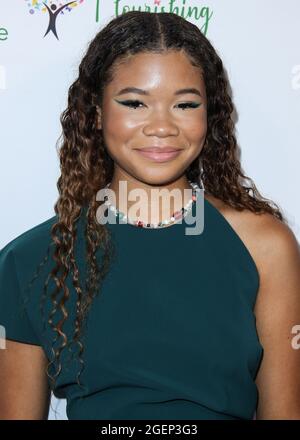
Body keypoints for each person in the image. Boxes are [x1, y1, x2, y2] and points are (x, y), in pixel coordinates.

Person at [0, 11, 300, 420]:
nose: (162, 126)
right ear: (96, 113)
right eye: (135, 102)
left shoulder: (265, 247)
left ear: (208, 115)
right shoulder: (29, 260)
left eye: (185, 104)